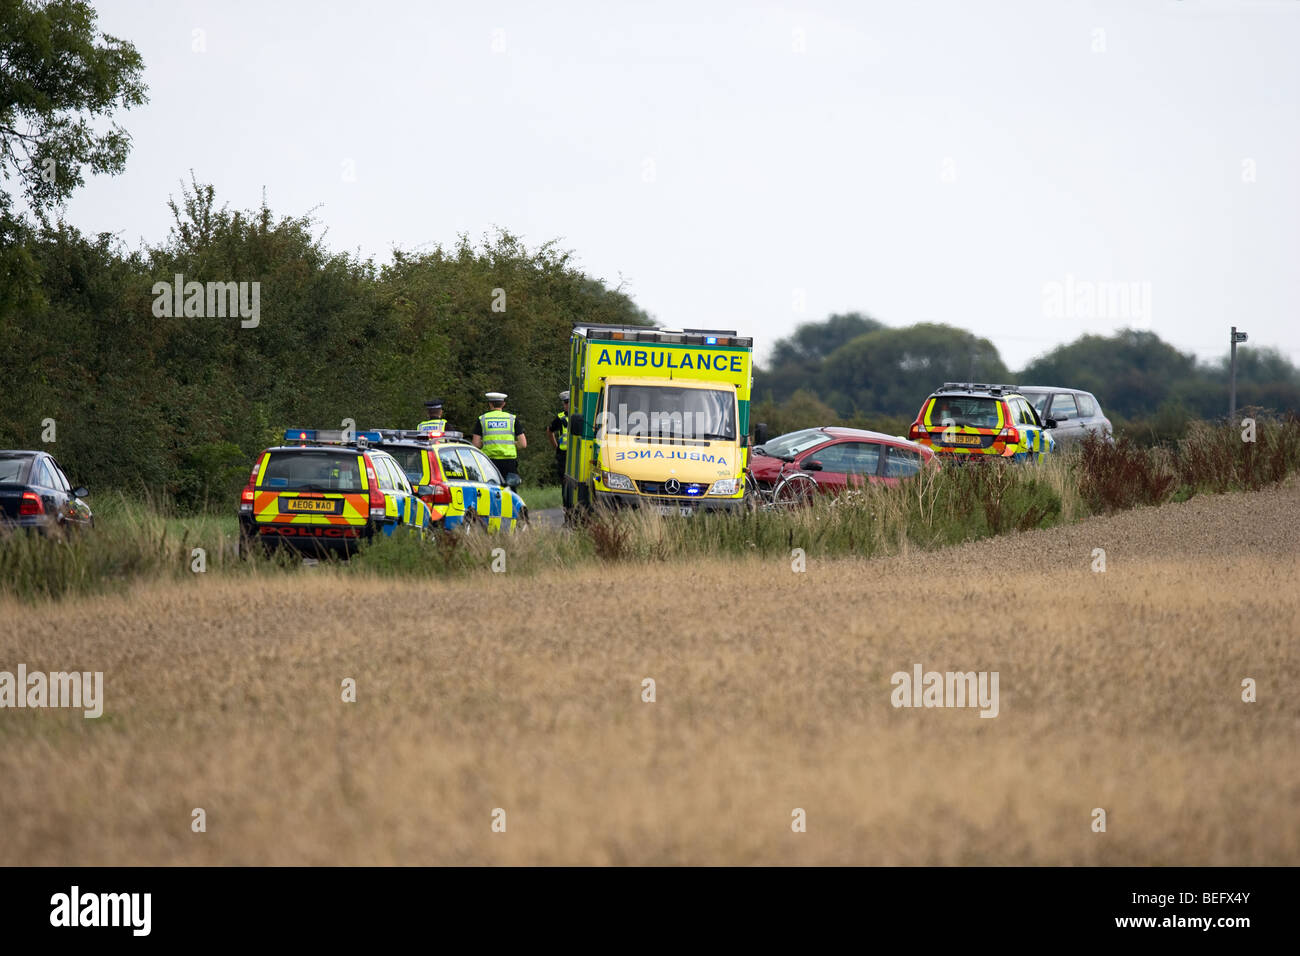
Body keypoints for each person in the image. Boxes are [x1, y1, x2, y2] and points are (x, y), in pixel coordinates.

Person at [472, 391, 526, 486]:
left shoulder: (482, 419)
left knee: (491, 491)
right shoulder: (512, 419)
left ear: (490, 404)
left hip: (489, 461)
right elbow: (523, 444)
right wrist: (511, 443)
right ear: (503, 404)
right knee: (510, 491)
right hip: (509, 462)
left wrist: (486, 443)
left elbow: (476, 444)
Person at [547, 390, 570, 483]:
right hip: (564, 454)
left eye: (567, 403)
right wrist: (556, 446)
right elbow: (549, 430)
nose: (565, 405)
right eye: (564, 403)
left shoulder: (582, 416)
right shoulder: (560, 417)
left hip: (577, 454)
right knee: (564, 480)